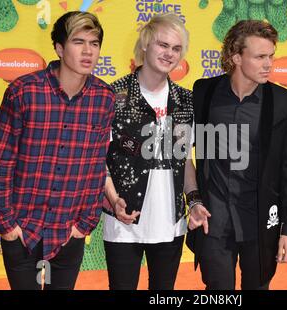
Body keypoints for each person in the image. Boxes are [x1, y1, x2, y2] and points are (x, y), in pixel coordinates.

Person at [0, 11, 115, 290]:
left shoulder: (104, 98)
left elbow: (95, 167)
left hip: (68, 232)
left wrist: (85, 223)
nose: (88, 51)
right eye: (79, 42)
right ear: (58, 48)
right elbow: (1, 163)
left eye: (94, 43)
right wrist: (6, 224)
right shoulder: (24, 91)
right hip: (23, 229)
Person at [186, 20, 287, 290]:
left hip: (259, 222)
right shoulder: (204, 92)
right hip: (213, 222)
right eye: (260, 56)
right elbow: (185, 151)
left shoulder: (282, 101)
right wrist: (192, 201)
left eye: (271, 56)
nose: (268, 64)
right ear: (236, 57)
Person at [103, 13, 195, 290]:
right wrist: (114, 199)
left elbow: (185, 159)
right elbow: (99, 160)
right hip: (124, 222)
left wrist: (196, 200)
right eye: (162, 45)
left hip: (171, 222)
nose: (169, 53)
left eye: (176, 48)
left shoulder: (186, 100)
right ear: (144, 45)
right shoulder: (114, 96)